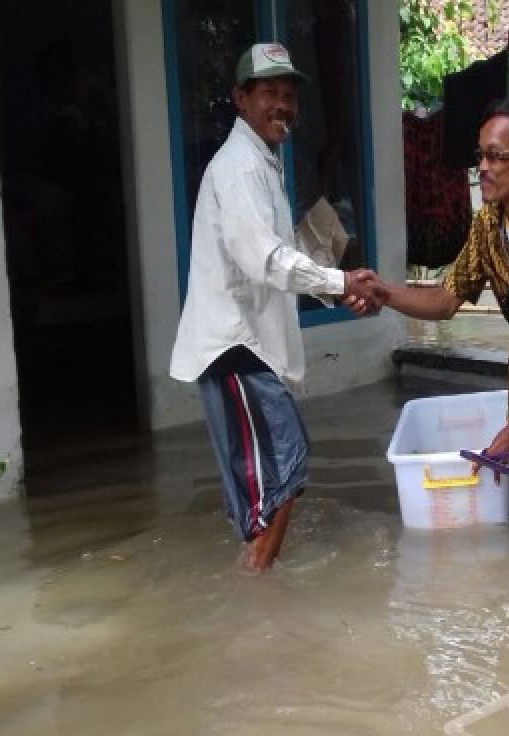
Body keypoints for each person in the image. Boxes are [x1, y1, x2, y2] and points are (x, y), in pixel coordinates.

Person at [352, 96, 509, 534]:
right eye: (480, 156)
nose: (483, 168)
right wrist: (384, 293)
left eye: (495, 156)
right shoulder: (487, 225)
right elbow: (448, 299)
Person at [170, 42, 381, 572]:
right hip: (236, 348)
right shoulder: (239, 168)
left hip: (249, 351)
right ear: (240, 99)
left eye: (289, 96)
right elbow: (266, 258)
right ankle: (258, 594)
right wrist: (339, 279)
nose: (282, 106)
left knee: (268, 479)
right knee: (283, 467)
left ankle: (254, 587)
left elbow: (280, 255)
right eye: (269, 94)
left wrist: (337, 289)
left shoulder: (263, 165)